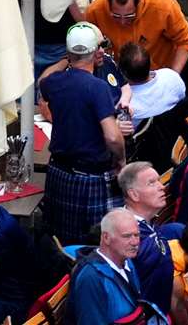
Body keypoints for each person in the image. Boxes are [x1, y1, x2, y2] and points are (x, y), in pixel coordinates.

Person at [39, 23, 124, 242]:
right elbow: (113, 136)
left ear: (69, 53)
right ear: (96, 52)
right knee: (96, 242)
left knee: (62, 241)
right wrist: (121, 160)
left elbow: (42, 80)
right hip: (91, 176)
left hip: (59, 173)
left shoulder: (55, 82)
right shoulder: (97, 87)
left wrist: (65, 60)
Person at [71, 210, 150, 325]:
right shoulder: (91, 278)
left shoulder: (127, 260)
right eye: (127, 236)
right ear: (106, 237)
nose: (135, 242)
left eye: (137, 235)